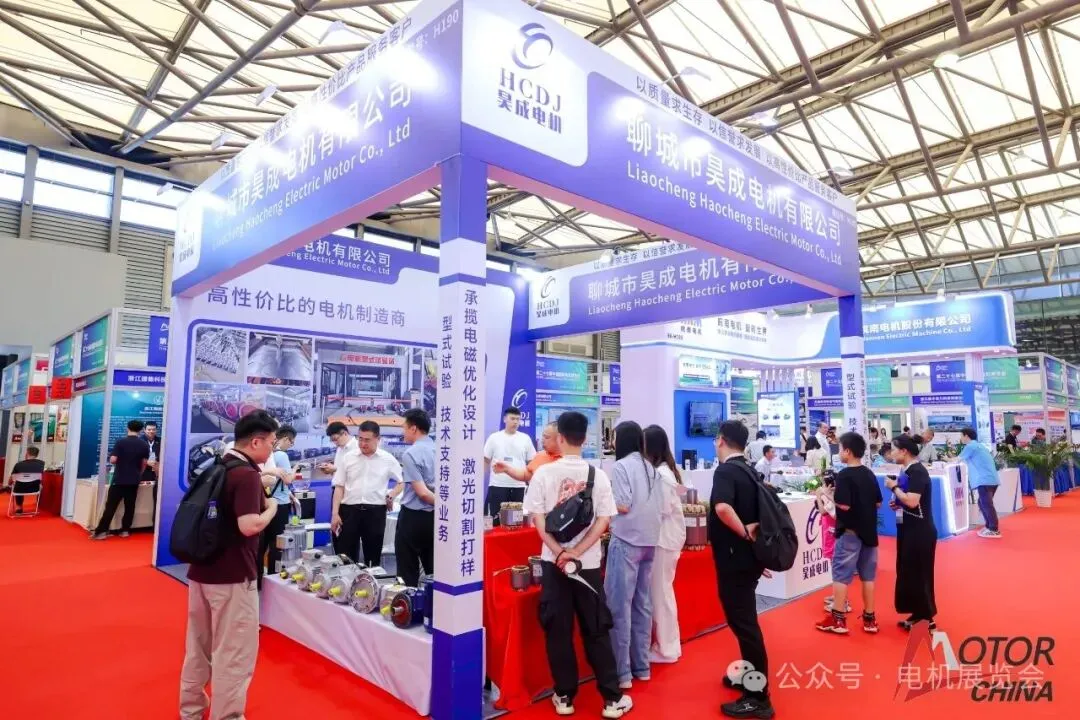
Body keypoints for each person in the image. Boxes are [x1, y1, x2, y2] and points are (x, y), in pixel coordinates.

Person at [523, 411, 632, 718]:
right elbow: (604, 521)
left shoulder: (544, 474)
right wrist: (578, 552)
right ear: (585, 439)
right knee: (596, 630)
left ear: (559, 438)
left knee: (558, 631)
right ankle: (611, 699)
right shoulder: (598, 475)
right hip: (589, 566)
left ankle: (564, 696)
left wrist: (560, 552)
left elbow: (538, 521)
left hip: (553, 565)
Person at [181, 410, 279, 720]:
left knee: (198, 647)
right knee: (234, 652)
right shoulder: (246, 475)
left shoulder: (217, 466)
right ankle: (227, 716)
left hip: (201, 571)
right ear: (256, 442)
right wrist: (272, 508)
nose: (273, 449)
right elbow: (249, 526)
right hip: (233, 576)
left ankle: (191, 710)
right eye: (272, 443)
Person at [709, 420, 773, 718]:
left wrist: (744, 534)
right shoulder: (749, 469)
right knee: (743, 621)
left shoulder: (726, 471)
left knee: (744, 624)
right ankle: (750, 675)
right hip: (746, 559)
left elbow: (722, 508)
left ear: (721, 440)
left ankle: (758, 696)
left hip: (735, 558)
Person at [605, 421, 662, 690]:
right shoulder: (651, 467)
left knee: (619, 606)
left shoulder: (620, 466)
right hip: (650, 541)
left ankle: (622, 672)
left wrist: (602, 501)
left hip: (626, 540)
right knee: (642, 604)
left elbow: (623, 504)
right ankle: (642, 666)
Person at [816, 432, 882, 635]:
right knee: (868, 577)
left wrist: (827, 495)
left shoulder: (845, 475)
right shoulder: (869, 473)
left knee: (840, 575)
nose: (838, 453)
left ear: (847, 451)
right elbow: (878, 503)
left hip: (850, 532)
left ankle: (837, 618)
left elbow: (844, 505)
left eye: (840, 449)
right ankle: (869, 619)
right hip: (869, 533)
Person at [330, 421, 403, 567]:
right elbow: (339, 486)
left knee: (372, 557)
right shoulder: (348, 457)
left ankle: (371, 580)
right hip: (349, 512)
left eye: (367, 440)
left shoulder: (387, 459)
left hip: (375, 513)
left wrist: (391, 495)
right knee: (346, 557)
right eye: (360, 439)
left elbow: (402, 481)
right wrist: (335, 514)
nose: (363, 444)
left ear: (378, 439)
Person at [885, 435, 937, 632]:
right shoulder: (905, 470)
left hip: (920, 532)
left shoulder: (918, 472)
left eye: (893, 449)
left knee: (920, 574)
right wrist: (897, 502)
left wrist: (894, 488)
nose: (891, 453)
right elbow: (906, 500)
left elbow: (913, 501)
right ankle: (917, 613)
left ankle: (927, 618)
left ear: (904, 451)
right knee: (908, 573)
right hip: (907, 528)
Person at [644, 424, 685, 664]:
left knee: (661, 595)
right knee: (662, 593)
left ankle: (666, 648)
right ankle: (668, 645)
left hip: (663, 540)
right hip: (666, 539)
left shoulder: (661, 475)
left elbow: (661, 509)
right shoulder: (665, 471)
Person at [394, 409, 436, 586]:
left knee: (407, 571)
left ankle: (410, 602)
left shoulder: (411, 454)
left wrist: (444, 504)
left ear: (413, 428)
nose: (403, 432)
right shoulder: (442, 450)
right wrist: (446, 506)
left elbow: (423, 493)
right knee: (434, 570)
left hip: (413, 519)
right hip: (437, 519)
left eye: (404, 427)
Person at [91, 420, 151, 539]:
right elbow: (144, 463)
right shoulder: (144, 445)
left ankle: (101, 531)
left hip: (119, 479)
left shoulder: (120, 442)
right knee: (130, 506)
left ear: (127, 428)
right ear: (141, 430)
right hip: (134, 479)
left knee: (111, 506)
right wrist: (138, 474)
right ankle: (125, 530)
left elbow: (113, 459)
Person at [257, 425, 297, 588]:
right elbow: (287, 480)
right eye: (291, 442)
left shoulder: (268, 454)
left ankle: (258, 579)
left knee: (261, 545)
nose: (291, 445)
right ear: (286, 438)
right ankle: (272, 581)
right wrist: (295, 470)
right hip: (279, 505)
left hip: (264, 503)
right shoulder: (282, 455)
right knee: (276, 544)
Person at [483, 407, 536, 524]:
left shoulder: (525, 438)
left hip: (518, 486)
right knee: (495, 522)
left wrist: (532, 482)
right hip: (497, 485)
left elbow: (531, 462)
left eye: (518, 419)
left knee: (514, 523)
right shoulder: (494, 437)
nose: (515, 422)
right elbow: (486, 460)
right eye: (512, 418)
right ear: (505, 419)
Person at [959, 428, 1001, 539]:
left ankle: (994, 529)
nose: (960, 438)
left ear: (966, 436)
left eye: (961, 436)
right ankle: (989, 526)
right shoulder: (980, 446)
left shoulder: (970, 446)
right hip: (991, 479)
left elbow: (958, 459)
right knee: (982, 503)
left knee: (986, 504)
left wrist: (946, 459)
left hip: (984, 480)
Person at [494, 422, 561, 484]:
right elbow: (525, 475)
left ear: (560, 439)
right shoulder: (540, 456)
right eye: (543, 436)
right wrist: (507, 469)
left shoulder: (566, 459)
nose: (542, 440)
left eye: (547, 437)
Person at [816, 473, 842, 612]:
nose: (823, 485)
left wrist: (821, 496)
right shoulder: (833, 495)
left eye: (825, 483)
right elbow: (823, 511)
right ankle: (837, 596)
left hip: (835, 536)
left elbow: (827, 512)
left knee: (837, 569)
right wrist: (820, 496)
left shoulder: (836, 497)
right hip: (830, 533)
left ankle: (842, 601)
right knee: (835, 567)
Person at [9, 446, 45, 514]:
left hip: (19, 489)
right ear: (37, 455)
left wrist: (9, 484)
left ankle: (19, 507)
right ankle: (39, 504)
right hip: (35, 488)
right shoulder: (42, 464)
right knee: (41, 485)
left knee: (18, 484)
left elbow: (12, 478)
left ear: (27, 453)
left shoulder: (18, 464)